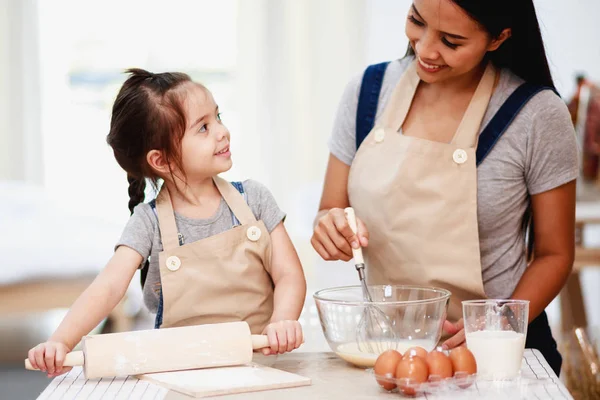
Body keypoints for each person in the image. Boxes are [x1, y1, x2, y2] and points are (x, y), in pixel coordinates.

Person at [311, 0, 577, 376]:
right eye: (416, 21)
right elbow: (330, 208)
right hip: (386, 348)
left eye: (451, 41)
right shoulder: (366, 93)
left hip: (497, 353)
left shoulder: (537, 114)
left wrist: (494, 327)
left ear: (499, 38)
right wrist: (328, 226)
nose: (424, 49)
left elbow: (555, 254)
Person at [28, 69, 307, 377]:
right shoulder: (148, 222)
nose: (222, 131)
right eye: (203, 127)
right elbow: (107, 288)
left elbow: (289, 273)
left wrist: (283, 321)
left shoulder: (254, 199)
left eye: (218, 117)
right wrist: (60, 341)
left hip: (261, 364)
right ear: (162, 161)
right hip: (183, 373)